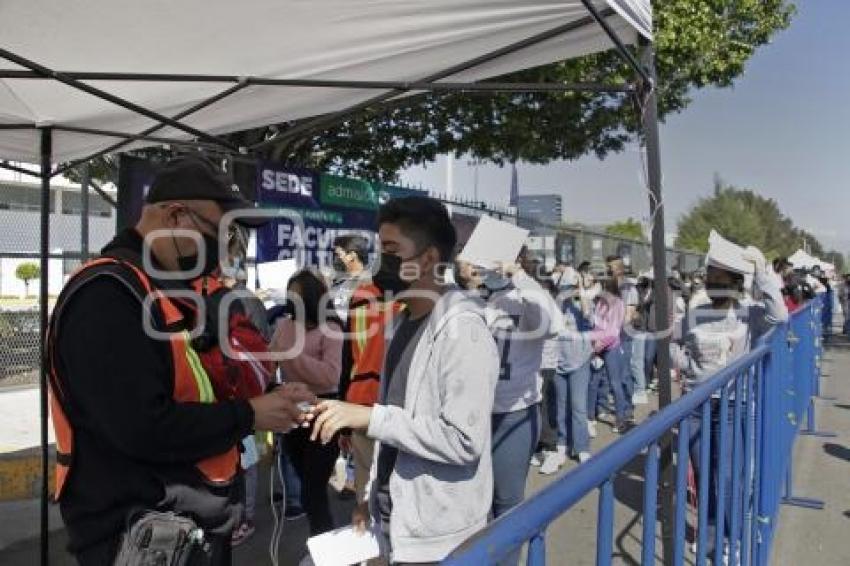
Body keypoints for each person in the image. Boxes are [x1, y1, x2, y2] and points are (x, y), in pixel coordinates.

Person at [46, 156, 314, 565]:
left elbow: (192, 386)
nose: (226, 248)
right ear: (175, 216)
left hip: (184, 532)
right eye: (220, 232)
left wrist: (271, 397)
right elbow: (139, 427)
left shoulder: (164, 292)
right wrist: (247, 416)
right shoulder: (108, 295)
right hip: (137, 538)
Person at [306, 196, 499, 565]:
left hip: (441, 537)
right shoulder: (399, 321)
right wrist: (372, 495)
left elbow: (463, 441)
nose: (381, 262)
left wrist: (367, 418)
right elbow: (397, 419)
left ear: (428, 258)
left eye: (392, 250)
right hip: (395, 519)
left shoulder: (463, 329)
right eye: (380, 249)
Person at [672, 244, 787, 556]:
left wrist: (762, 272)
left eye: (720, 278)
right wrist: (688, 366)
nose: (712, 283)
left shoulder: (749, 315)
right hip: (695, 406)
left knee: (726, 476)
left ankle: (731, 537)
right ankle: (710, 535)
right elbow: (672, 344)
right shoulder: (694, 314)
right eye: (710, 277)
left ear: (737, 285)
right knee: (703, 474)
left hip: (732, 407)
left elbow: (780, 316)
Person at [269, 269, 344, 538]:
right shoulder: (284, 325)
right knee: (305, 487)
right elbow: (270, 361)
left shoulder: (331, 328)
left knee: (314, 493)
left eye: (296, 294)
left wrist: (292, 356)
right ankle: (320, 545)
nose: (290, 299)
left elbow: (330, 376)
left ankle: (327, 552)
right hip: (292, 415)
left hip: (323, 414)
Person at [337, 253, 404, 514]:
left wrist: (344, 421)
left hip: (361, 402)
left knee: (366, 489)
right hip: (398, 408)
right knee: (396, 489)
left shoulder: (360, 297)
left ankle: (370, 544)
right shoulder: (413, 304)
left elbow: (347, 357)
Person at [331, 234, 371, 321]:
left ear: (352, 256)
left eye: (338, 254)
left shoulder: (368, 283)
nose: (336, 259)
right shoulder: (339, 283)